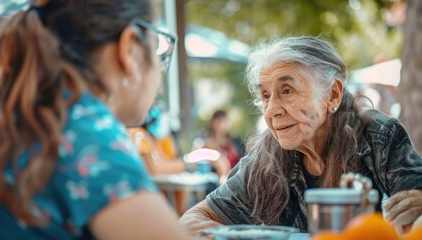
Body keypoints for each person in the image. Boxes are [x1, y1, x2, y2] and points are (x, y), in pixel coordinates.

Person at [0, 0, 197, 239]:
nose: (159, 77)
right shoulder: (86, 138)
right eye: (157, 51)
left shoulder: (26, 119)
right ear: (130, 49)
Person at [179, 36, 422, 235]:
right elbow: (195, 220)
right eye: (265, 96)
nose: (272, 109)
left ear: (333, 95)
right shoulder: (265, 159)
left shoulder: (379, 137)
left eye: (287, 90)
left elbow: (416, 205)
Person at [127, 103, 189, 215]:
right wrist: (184, 164)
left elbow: (167, 161)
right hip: (139, 195)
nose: (165, 124)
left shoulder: (158, 139)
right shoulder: (139, 135)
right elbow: (154, 169)